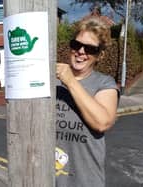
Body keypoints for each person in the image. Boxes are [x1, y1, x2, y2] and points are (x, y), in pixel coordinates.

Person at [55, 17, 119, 187]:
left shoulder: (105, 84)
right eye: (76, 45)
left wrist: (70, 81)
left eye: (90, 49)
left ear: (100, 55)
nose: (81, 51)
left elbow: (102, 122)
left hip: (84, 181)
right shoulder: (51, 80)